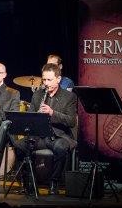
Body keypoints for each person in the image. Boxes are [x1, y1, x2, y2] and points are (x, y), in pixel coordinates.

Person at [12, 63, 77, 195]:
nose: (46, 83)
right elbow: (30, 117)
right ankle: (29, 182)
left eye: (49, 80)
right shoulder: (37, 95)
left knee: (61, 148)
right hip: (39, 136)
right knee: (19, 146)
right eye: (44, 80)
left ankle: (54, 182)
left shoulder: (69, 97)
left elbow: (71, 121)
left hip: (58, 136)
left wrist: (52, 113)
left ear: (58, 79)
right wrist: (35, 117)